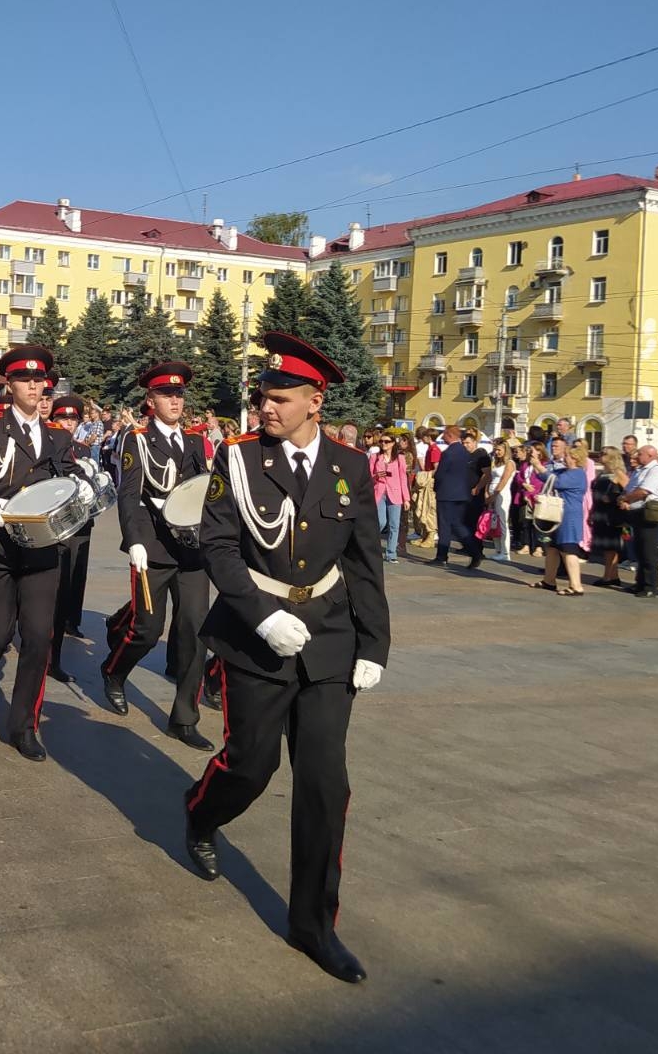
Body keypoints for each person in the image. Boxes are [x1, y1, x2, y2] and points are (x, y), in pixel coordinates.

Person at [186, 331, 389, 984]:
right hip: (257, 637)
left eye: (278, 398)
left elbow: (364, 561)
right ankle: (201, 812)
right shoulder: (238, 460)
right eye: (261, 397)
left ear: (314, 401)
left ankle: (313, 925)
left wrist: (374, 644)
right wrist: (263, 614)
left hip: (330, 641)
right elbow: (217, 546)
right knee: (251, 765)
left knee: (327, 785)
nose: (264, 408)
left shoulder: (351, 468)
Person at [0, 344, 94, 762]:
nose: (34, 386)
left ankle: (24, 724)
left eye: (39, 380)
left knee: (37, 638)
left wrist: (82, 484)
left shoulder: (57, 436)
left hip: (43, 548)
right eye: (25, 380)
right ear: (9, 385)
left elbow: (70, 475)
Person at [101, 362, 213, 750]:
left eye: (179, 395)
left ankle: (184, 718)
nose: (175, 401)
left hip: (193, 552)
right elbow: (129, 494)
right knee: (148, 628)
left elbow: (206, 491)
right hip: (154, 547)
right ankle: (114, 672)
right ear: (151, 400)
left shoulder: (197, 441)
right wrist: (134, 540)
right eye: (167, 395)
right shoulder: (137, 440)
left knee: (196, 631)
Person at [48, 394, 97, 678]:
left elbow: (92, 476)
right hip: (56, 525)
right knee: (55, 588)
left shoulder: (83, 449)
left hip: (81, 522)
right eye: (62, 418)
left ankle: (69, 621)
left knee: (74, 578)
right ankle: (51, 657)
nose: (67, 423)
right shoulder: (49, 443)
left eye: (72, 419)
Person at [532, 444, 590, 594]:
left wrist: (538, 465)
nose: (565, 458)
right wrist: (535, 462)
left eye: (568, 456)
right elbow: (546, 475)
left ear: (576, 458)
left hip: (569, 516)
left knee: (568, 549)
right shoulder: (566, 471)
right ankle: (549, 580)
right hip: (558, 514)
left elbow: (556, 481)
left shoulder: (577, 474)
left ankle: (576, 586)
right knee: (552, 549)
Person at [430, 426, 487, 568]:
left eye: (444, 435)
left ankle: (442, 556)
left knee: (445, 526)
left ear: (450, 435)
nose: (442, 437)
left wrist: (436, 487)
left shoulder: (448, 453)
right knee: (457, 524)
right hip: (462, 494)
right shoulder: (464, 452)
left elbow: (440, 474)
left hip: (446, 493)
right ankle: (474, 551)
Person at [618, 444, 658, 597]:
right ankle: (640, 582)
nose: (637, 456)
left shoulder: (656, 470)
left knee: (649, 550)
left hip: (650, 513)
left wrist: (626, 498)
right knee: (640, 549)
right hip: (636, 511)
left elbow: (643, 491)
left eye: (640, 454)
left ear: (650, 455)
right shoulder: (639, 470)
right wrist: (624, 499)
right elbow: (630, 487)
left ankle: (651, 585)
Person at [590, 448, 629, 586]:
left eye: (604, 454)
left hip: (611, 513)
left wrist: (616, 498)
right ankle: (612, 575)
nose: (600, 455)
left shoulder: (618, 473)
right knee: (606, 547)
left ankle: (609, 576)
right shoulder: (602, 474)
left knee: (610, 546)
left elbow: (628, 489)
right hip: (600, 512)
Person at [368, 433, 409, 563]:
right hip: (379, 492)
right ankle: (370, 546)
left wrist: (406, 498)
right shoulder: (375, 457)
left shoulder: (399, 458)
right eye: (381, 441)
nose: (383, 444)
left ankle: (391, 554)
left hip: (395, 493)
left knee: (394, 525)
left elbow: (403, 478)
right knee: (380, 522)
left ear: (392, 443)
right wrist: (375, 476)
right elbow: (367, 476)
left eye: (386, 441)